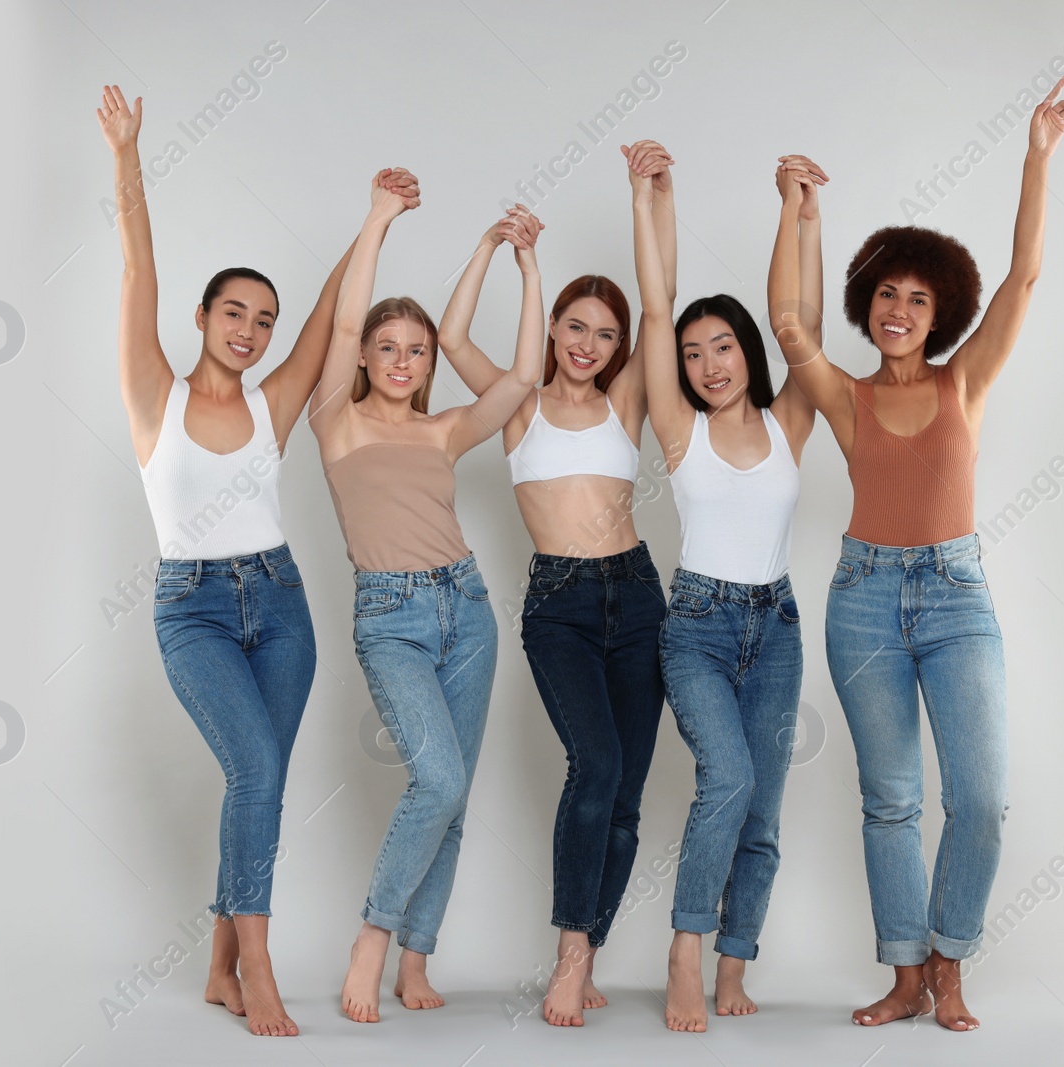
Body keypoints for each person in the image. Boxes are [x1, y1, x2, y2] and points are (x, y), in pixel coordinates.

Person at [97, 86, 406, 1037]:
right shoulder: (155, 395)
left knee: (261, 774)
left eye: (262, 320)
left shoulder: (274, 407)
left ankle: (221, 965)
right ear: (202, 317)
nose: (251, 329)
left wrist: (376, 221)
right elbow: (138, 266)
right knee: (258, 772)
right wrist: (128, 156)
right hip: (192, 611)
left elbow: (328, 321)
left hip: (279, 604)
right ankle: (258, 964)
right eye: (235, 312)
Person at [771, 78, 1064, 1031]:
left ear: (939, 312)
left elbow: (1025, 278)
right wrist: (796, 212)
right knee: (891, 799)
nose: (901, 308)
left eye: (919, 296)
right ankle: (905, 974)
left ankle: (950, 960)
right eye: (888, 295)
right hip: (863, 597)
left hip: (954, 595)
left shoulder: (965, 382)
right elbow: (788, 323)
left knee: (980, 798)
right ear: (869, 304)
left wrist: (1035, 158)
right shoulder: (843, 395)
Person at [435, 140, 678, 1026]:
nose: (590, 343)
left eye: (603, 334)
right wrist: (497, 250)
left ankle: (585, 950)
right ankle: (571, 950)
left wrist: (654, 192)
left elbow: (663, 308)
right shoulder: (517, 400)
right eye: (576, 326)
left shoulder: (627, 405)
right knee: (598, 762)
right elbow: (451, 334)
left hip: (638, 592)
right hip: (559, 606)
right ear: (552, 332)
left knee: (628, 788)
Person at [309, 176, 545, 1023]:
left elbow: (523, 375)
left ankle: (417, 958)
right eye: (388, 348)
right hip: (390, 619)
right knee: (435, 780)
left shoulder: (443, 428)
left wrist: (514, 260)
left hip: (468, 609)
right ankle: (372, 939)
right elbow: (341, 317)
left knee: (454, 795)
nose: (404, 361)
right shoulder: (335, 418)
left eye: (417, 350)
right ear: (366, 358)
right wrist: (378, 217)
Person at [632, 151, 818, 1033]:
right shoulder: (680, 430)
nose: (709, 365)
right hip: (699, 625)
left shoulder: (791, 422)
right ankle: (685, 947)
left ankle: (736, 961)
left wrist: (797, 209)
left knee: (765, 804)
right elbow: (658, 306)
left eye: (723, 347)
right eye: (694, 356)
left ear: (746, 349)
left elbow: (801, 323)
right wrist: (649, 199)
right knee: (729, 777)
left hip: (776, 625)